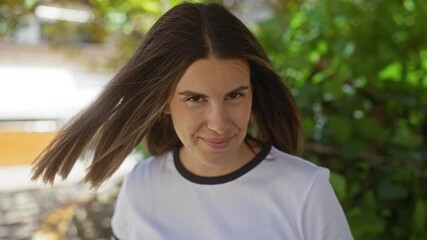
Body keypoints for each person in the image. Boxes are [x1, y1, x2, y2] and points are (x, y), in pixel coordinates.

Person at [31, 2, 353, 239]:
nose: (219, 123)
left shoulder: (305, 191)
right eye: (195, 99)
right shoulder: (141, 187)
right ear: (165, 102)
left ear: (253, 91)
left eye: (235, 95)